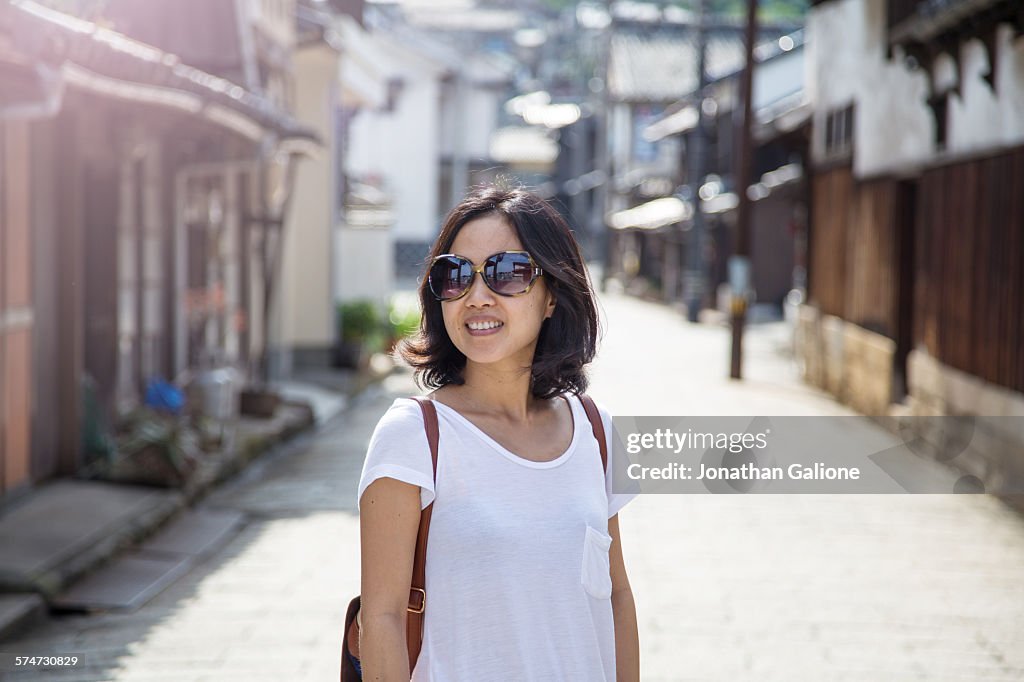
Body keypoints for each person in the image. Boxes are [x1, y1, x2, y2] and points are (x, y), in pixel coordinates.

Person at [356, 184, 640, 680]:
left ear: (552, 295)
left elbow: (617, 595)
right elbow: (380, 619)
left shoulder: (594, 430)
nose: (477, 297)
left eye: (508, 273)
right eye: (455, 275)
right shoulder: (413, 436)